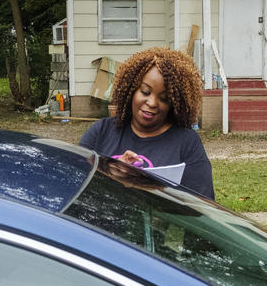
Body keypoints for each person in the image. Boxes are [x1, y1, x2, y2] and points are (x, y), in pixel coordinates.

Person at [79, 47, 215, 199]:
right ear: (131, 90)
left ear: (174, 104)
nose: (152, 102)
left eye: (164, 98)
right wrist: (111, 173)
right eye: (145, 91)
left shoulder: (186, 143)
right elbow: (74, 179)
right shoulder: (101, 131)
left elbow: (203, 204)